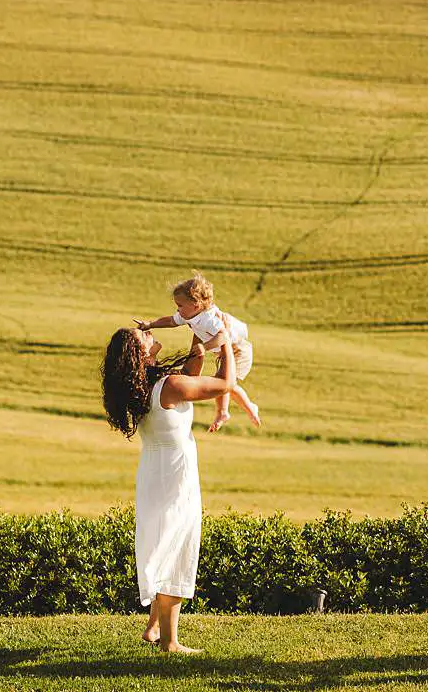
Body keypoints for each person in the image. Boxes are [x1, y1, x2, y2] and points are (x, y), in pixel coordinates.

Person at [102, 325, 234, 654]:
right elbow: (224, 385)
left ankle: (153, 628)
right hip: (173, 475)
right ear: (140, 352)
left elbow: (192, 371)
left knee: (163, 542)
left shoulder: (144, 384)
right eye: (142, 334)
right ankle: (170, 641)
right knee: (175, 545)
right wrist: (226, 344)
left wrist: (198, 333)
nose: (148, 330)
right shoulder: (168, 385)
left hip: (155, 471)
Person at [135, 272, 261, 429]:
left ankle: (249, 407)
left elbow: (223, 336)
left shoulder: (209, 319)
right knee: (220, 381)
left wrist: (205, 347)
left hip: (239, 349)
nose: (177, 310)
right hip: (223, 350)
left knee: (230, 384)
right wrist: (150, 324)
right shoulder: (188, 315)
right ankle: (223, 412)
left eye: (180, 305)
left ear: (195, 305)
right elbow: (170, 321)